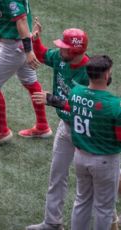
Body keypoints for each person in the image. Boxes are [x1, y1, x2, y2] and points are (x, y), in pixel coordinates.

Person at [33, 55, 121, 230]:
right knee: (103, 208)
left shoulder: (76, 93)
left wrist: (51, 99)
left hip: (81, 158)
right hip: (104, 161)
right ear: (105, 76)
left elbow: (70, 106)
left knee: (82, 201)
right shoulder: (114, 105)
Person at [25, 17, 89, 230]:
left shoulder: (89, 71)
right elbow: (43, 55)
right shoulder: (62, 59)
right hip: (65, 127)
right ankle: (52, 223)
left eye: (64, 47)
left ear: (75, 51)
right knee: (57, 174)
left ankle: (112, 219)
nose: (60, 50)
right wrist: (36, 40)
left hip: (85, 131)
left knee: (89, 181)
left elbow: (84, 107)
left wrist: (54, 100)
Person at [0, 0, 51, 146]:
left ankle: (1, 130)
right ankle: (42, 126)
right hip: (21, 43)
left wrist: (29, 51)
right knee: (31, 83)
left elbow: (21, 20)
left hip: (14, 47)